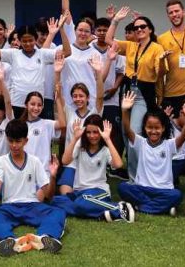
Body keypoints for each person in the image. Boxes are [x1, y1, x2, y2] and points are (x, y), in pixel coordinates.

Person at [0, 120, 65, 257]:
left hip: (32, 205)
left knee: (59, 212)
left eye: (18, 141)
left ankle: (45, 238)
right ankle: (10, 240)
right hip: (9, 207)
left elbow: (49, 195)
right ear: (7, 139)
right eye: (11, 141)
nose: (14, 145)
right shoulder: (1, 161)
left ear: (26, 141)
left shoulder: (35, 161)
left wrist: (53, 176)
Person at [105, 6, 168, 180]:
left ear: (150, 30)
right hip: (127, 92)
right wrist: (115, 20)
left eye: (142, 27)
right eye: (136, 28)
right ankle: (133, 173)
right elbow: (108, 39)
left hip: (142, 94)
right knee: (125, 133)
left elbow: (160, 73)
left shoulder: (157, 48)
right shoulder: (131, 46)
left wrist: (162, 62)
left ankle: (139, 177)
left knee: (134, 133)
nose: (139, 30)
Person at [117, 93, 185, 216]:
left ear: (163, 128)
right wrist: (125, 111)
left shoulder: (169, 145)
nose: (153, 131)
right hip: (142, 188)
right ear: (145, 128)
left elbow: (183, 137)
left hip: (164, 190)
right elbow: (127, 130)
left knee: (177, 195)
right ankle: (160, 208)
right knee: (123, 187)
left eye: (157, 128)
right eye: (149, 127)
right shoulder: (140, 142)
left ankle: (140, 206)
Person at [0, 12, 69, 119]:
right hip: (17, 103)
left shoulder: (43, 53)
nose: (28, 43)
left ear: (35, 39)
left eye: (30, 40)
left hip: (37, 105)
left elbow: (67, 52)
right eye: (24, 41)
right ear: (19, 41)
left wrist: (61, 29)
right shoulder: (13, 54)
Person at [51, 116, 133, 222]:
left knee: (81, 203)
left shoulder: (105, 150)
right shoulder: (80, 146)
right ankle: (102, 213)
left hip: (98, 191)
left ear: (101, 132)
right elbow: (65, 161)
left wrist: (107, 139)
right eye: (88, 132)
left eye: (95, 132)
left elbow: (118, 164)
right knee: (56, 201)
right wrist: (75, 138)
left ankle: (118, 208)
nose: (92, 136)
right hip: (79, 192)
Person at [58, 52, 111, 194]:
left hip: (87, 161)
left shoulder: (94, 113)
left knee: (81, 192)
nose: (78, 99)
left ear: (88, 98)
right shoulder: (69, 111)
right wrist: (57, 73)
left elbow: (100, 96)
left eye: (81, 96)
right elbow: (58, 93)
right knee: (65, 193)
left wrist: (98, 72)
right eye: (75, 96)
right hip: (71, 160)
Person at [92, 17, 127, 179]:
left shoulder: (115, 48)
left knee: (114, 132)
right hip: (94, 99)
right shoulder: (90, 49)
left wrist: (115, 87)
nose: (102, 33)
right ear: (94, 31)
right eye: (99, 30)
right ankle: (95, 164)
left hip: (112, 99)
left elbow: (120, 71)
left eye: (105, 30)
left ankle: (114, 166)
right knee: (94, 132)